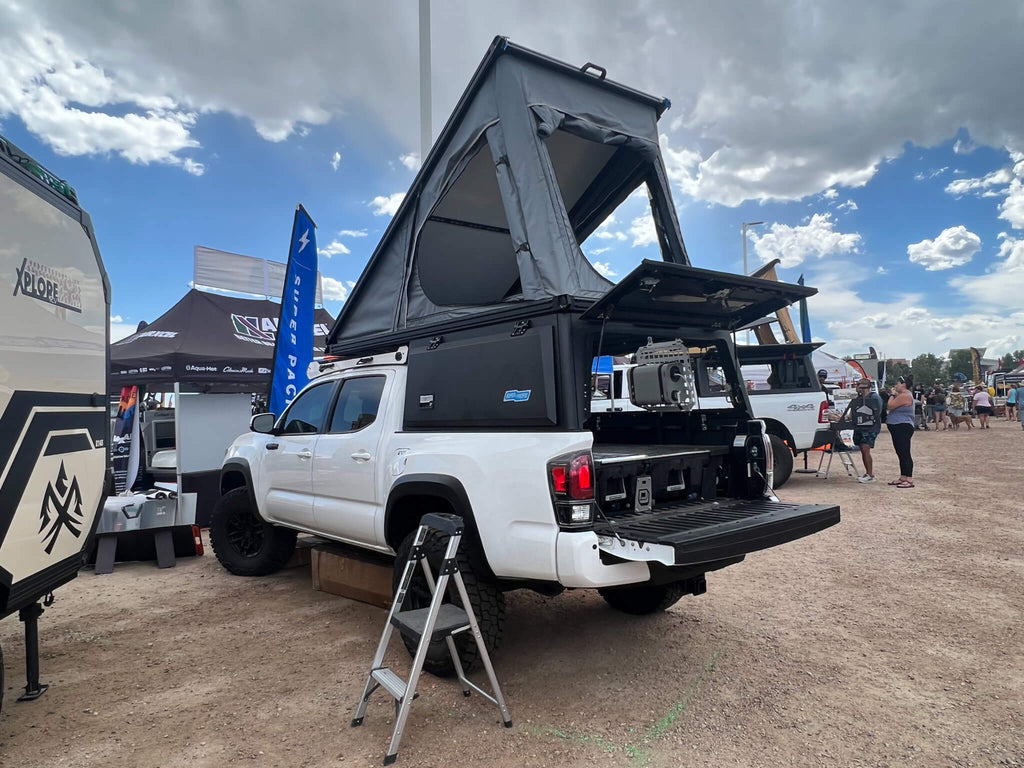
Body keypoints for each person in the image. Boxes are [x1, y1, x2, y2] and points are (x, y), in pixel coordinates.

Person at [839, 378, 883, 483]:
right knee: (863, 450)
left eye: (858, 385)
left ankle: (870, 475)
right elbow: (851, 415)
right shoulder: (858, 398)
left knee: (865, 448)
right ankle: (868, 473)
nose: (856, 387)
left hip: (870, 428)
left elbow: (877, 413)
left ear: (864, 386)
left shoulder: (874, 398)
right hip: (859, 427)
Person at [886, 375, 916, 488]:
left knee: (904, 453)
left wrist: (892, 394)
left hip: (902, 426)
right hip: (897, 426)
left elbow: (890, 405)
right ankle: (903, 476)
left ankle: (909, 478)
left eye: (897, 384)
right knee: (900, 452)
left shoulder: (904, 396)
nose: (895, 386)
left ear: (903, 385)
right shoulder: (903, 395)